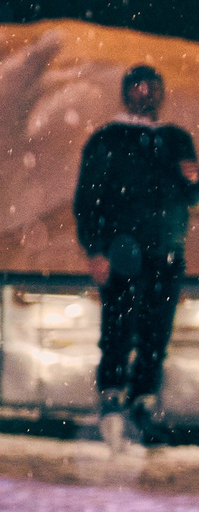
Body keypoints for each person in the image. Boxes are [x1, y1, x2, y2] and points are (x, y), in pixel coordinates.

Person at [74, 63, 197, 449]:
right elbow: (88, 199)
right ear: (127, 92)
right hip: (121, 252)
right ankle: (111, 400)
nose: (147, 93)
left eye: (153, 87)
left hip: (166, 252)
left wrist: (194, 180)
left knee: (155, 332)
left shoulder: (176, 139)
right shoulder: (107, 139)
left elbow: (190, 196)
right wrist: (95, 249)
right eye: (140, 87)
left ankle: (143, 404)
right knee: (117, 327)